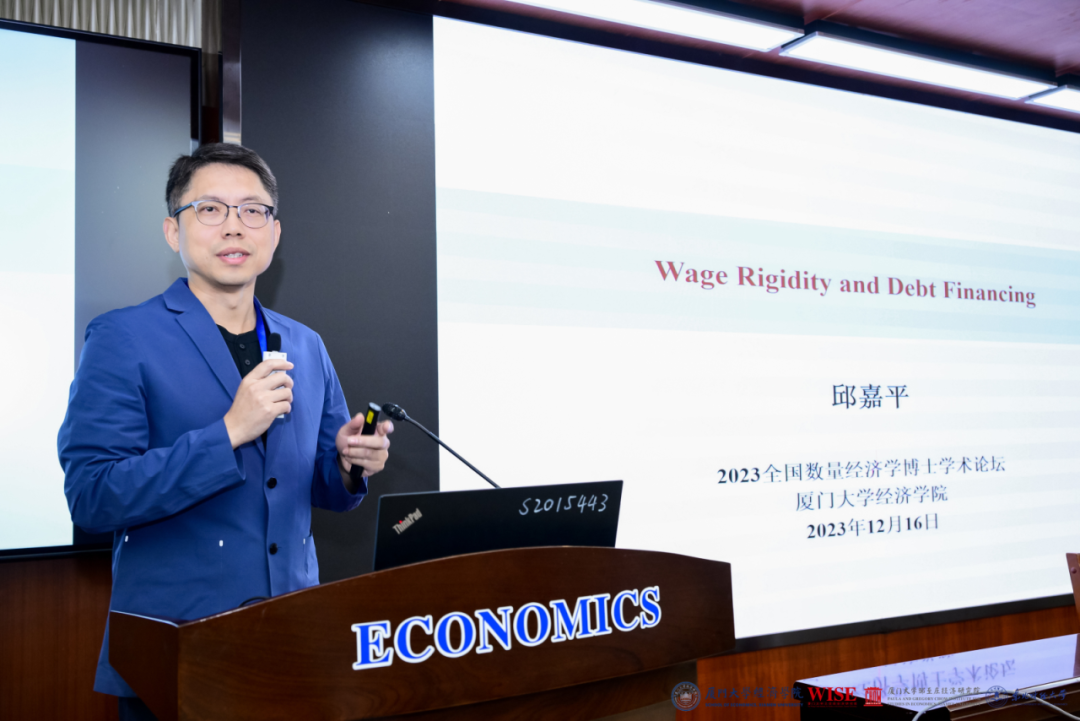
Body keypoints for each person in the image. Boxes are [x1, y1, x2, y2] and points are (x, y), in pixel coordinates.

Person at [57, 143, 392, 719]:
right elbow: (92, 496)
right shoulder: (123, 338)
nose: (234, 226)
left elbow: (322, 489)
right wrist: (229, 431)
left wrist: (346, 462)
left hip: (294, 639)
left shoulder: (305, 343)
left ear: (275, 234)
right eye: (210, 209)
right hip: (179, 648)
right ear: (173, 231)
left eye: (253, 211)